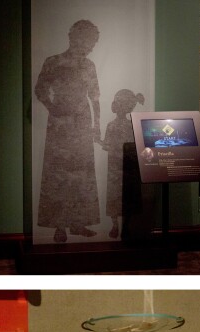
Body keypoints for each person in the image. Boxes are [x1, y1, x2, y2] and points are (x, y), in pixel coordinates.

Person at [34, 20, 102, 243]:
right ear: (75, 38)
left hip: (82, 121)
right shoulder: (53, 62)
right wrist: (54, 108)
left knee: (82, 173)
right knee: (59, 173)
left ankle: (78, 222)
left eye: (93, 43)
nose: (91, 47)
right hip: (60, 124)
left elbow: (95, 97)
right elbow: (40, 89)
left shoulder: (89, 66)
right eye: (89, 41)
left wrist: (97, 125)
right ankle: (60, 225)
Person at [102, 89, 144, 238]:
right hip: (122, 165)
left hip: (124, 165)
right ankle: (121, 226)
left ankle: (119, 226)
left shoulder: (115, 125)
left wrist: (104, 144)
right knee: (122, 195)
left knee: (122, 195)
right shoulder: (126, 125)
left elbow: (107, 145)